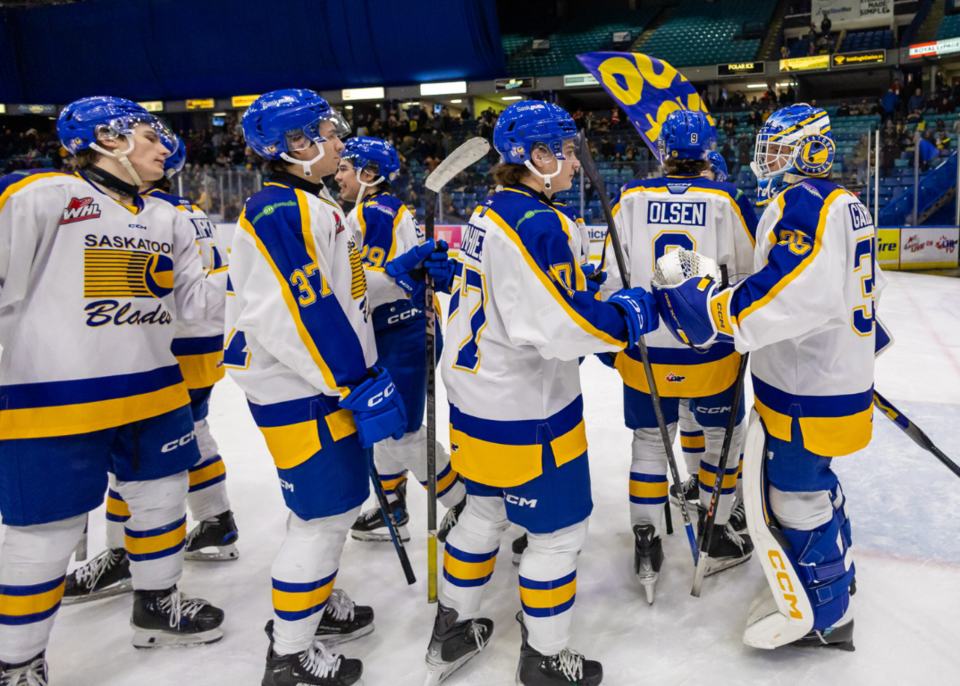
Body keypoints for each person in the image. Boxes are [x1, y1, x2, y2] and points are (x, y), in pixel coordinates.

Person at [423, 100, 659, 686]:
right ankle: (547, 658)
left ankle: (451, 627)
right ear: (536, 156)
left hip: (475, 403)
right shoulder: (539, 222)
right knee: (557, 535)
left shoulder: (489, 214)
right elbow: (560, 326)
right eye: (567, 150)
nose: (576, 162)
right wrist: (624, 318)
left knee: (482, 514)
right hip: (530, 412)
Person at [0, 97, 227, 684]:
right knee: (43, 537)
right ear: (107, 137)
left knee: (160, 502)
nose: (164, 148)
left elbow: (196, 307)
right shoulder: (41, 196)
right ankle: (17, 663)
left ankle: (156, 606)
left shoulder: (168, 217)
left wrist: (253, 273)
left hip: (156, 394)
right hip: (50, 402)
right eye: (150, 136)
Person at [652, 103, 883, 652]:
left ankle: (828, 616)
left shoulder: (804, 201)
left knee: (796, 498)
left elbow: (788, 289)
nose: (768, 159)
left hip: (810, 384)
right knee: (816, 483)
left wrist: (717, 310)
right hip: (830, 370)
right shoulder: (844, 201)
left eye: (781, 149)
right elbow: (843, 290)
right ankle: (839, 569)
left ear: (813, 150)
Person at [228, 89, 419, 686]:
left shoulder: (309, 206)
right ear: (293, 144)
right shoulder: (284, 210)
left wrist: (399, 276)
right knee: (325, 518)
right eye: (326, 133)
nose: (339, 142)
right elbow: (301, 314)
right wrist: (357, 382)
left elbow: (347, 297)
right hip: (305, 391)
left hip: (309, 386)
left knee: (317, 513)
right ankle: (289, 655)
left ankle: (309, 607)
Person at [63, 134, 239, 606]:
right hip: (199, 340)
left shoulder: (143, 213)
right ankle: (214, 520)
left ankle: (129, 552)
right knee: (189, 432)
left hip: (170, 344)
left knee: (143, 451)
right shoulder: (192, 210)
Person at [597, 111, 758, 603]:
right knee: (720, 442)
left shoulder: (629, 197)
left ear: (663, 150)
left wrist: (614, 343)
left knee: (649, 442)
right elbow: (752, 280)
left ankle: (645, 539)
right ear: (708, 151)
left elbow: (609, 278)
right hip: (710, 351)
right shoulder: (727, 199)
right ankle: (715, 531)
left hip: (646, 350)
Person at [331, 136, 467, 545]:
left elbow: (372, 285)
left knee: (401, 431)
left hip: (404, 333)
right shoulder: (371, 209)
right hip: (395, 332)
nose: (337, 176)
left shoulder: (375, 211)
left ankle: (462, 503)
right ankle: (392, 505)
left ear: (368, 174)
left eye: (344, 168)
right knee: (385, 425)